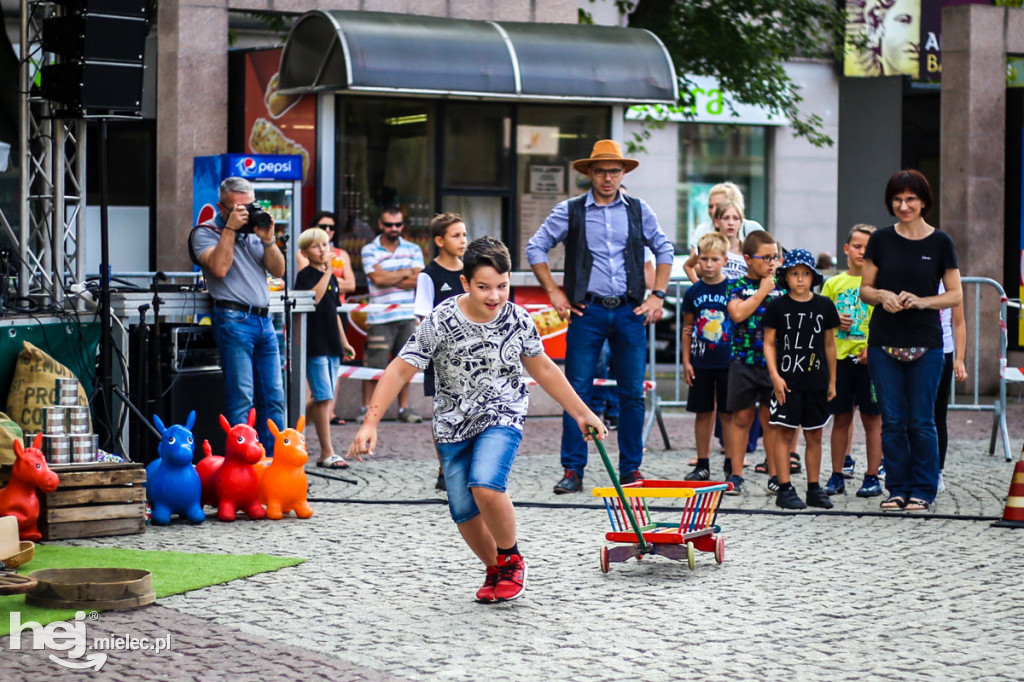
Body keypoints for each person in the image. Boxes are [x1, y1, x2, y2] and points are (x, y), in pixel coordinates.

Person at [347, 237, 607, 603]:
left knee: (485, 484)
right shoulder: (440, 320)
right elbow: (398, 369)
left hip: (503, 412)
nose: (495, 296)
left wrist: (582, 412)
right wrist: (370, 422)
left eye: (502, 286)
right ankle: (494, 568)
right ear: (466, 283)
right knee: (463, 510)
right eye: (484, 287)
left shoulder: (518, 319)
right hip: (451, 423)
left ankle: (512, 558)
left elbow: (545, 369)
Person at [526, 139, 674, 493]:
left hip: (629, 310)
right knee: (575, 391)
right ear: (589, 173)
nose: (608, 177)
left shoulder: (639, 210)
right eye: (601, 171)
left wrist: (658, 295)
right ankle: (573, 469)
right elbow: (535, 247)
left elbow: (665, 248)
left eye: (614, 171)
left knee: (632, 394)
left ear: (623, 173)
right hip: (587, 310)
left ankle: (631, 470)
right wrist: (553, 292)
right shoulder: (571, 210)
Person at [860, 169, 962, 512]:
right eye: (897, 199)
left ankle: (924, 489)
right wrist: (882, 296)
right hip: (884, 342)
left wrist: (922, 301)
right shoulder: (881, 240)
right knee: (892, 420)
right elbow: (865, 289)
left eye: (910, 199)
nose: (903, 205)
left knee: (921, 420)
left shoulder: (941, 242)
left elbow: (955, 295)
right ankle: (897, 488)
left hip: (927, 343)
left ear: (923, 202)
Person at [189, 177, 286, 456]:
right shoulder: (205, 232)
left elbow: (278, 270)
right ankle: (242, 469)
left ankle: (274, 465)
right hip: (233, 320)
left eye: (250, 205)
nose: (246, 212)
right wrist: (230, 229)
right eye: (238, 208)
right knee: (242, 398)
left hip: (264, 322)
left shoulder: (255, 233)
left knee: (274, 398)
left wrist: (268, 240)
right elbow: (219, 268)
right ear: (222, 207)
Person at [763, 249, 841, 510]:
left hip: (816, 381)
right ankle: (784, 488)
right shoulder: (777, 306)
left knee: (815, 434)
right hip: (786, 382)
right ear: (786, 277)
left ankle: (814, 488)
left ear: (813, 277)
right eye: (794, 274)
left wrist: (832, 381)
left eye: (805, 274)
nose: (799, 279)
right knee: (784, 433)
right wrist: (774, 376)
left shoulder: (824, 306)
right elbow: (769, 343)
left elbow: (830, 345)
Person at [821, 224, 885, 498]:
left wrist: (874, 347)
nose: (862, 252)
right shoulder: (833, 284)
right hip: (840, 359)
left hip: (870, 360)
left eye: (867, 247)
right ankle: (836, 474)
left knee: (873, 420)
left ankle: (872, 476)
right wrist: (834, 318)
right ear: (846, 249)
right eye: (857, 246)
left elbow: (888, 319)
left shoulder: (881, 282)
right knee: (841, 418)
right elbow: (819, 318)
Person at [724, 230, 788, 496]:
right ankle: (736, 474)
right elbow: (738, 314)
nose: (772, 262)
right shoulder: (737, 286)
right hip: (744, 362)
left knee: (771, 420)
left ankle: (775, 474)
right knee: (741, 417)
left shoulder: (782, 287)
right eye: (766, 257)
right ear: (748, 259)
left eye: (775, 257)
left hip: (774, 365)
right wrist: (761, 292)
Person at [414, 212, 468, 492]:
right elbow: (423, 319)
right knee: (445, 416)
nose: (463, 241)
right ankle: (446, 469)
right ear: (439, 240)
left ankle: (468, 467)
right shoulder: (428, 275)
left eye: (464, 234)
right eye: (456, 235)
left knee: (471, 412)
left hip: (473, 359)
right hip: (443, 359)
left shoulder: (470, 270)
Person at [294, 228, 356, 469]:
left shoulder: (329, 277)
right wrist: (329, 270)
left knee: (323, 397)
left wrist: (345, 341)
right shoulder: (306, 275)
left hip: (331, 343)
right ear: (305, 253)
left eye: (325, 244)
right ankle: (326, 452)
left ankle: (294, 433)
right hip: (315, 344)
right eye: (316, 246)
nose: (323, 250)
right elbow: (314, 299)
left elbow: (334, 312)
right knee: (324, 397)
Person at [359, 206, 425, 424]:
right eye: (389, 225)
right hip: (379, 317)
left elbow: (419, 280)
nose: (393, 228)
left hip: (407, 315)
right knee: (373, 366)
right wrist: (406, 272)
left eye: (397, 224)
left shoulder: (413, 248)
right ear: (381, 225)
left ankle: (403, 408)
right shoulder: (370, 249)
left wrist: (389, 275)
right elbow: (377, 280)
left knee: (406, 363)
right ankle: (367, 409)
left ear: (402, 226)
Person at [682, 232, 734, 481]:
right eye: (704, 259)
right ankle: (702, 463)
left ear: (724, 260)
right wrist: (686, 361)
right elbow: (687, 328)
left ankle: (731, 465)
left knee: (728, 414)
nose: (709, 264)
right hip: (701, 361)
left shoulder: (733, 289)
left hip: (728, 362)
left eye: (714, 259)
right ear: (697, 260)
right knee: (703, 411)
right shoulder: (693, 292)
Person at [934, 289, 968, 492]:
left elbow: (959, 323)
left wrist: (960, 359)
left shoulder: (950, 285)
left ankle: (937, 470)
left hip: (943, 351)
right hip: (915, 351)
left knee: (938, 414)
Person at [687, 181, 765, 251]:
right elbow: (694, 263)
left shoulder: (751, 229)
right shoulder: (702, 230)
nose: (713, 211)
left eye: (718, 205)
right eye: (710, 206)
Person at [683, 200, 747, 283]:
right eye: (726, 218)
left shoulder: (748, 249)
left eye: (736, 218)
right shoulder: (708, 245)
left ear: (741, 223)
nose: (731, 223)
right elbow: (688, 266)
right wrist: (699, 288)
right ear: (716, 222)